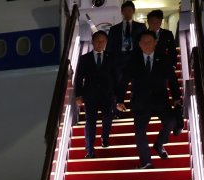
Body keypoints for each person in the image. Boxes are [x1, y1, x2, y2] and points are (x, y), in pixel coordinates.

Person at [116, 30, 181, 169]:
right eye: (143, 42)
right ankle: (146, 161)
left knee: (171, 120)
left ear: (155, 42)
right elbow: (123, 81)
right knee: (140, 131)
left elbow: (173, 80)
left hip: (161, 99)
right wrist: (120, 100)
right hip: (140, 101)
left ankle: (159, 143)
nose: (146, 44)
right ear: (139, 44)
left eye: (149, 42)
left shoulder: (163, 58)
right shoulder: (133, 60)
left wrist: (176, 97)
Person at [74, 31, 117, 158]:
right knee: (90, 121)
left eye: (103, 41)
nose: (100, 43)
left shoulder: (111, 57)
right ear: (92, 41)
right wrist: (78, 95)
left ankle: (105, 137)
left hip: (107, 95)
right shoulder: (84, 58)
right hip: (90, 95)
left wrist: (116, 95)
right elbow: (79, 78)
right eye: (98, 40)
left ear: (106, 43)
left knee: (108, 117)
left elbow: (115, 77)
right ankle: (89, 149)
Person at [107, 0, 146, 115]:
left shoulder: (141, 27)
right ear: (122, 12)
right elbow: (110, 47)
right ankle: (117, 110)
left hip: (135, 59)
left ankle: (135, 109)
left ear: (133, 11)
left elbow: (144, 43)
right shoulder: (114, 29)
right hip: (119, 60)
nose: (127, 12)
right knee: (118, 84)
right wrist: (110, 61)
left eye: (130, 10)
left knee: (136, 84)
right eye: (125, 10)